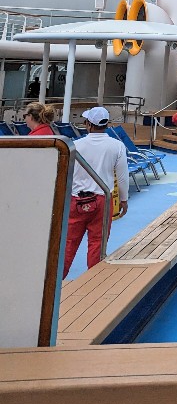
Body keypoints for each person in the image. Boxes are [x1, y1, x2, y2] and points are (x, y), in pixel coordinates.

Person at [62, 106, 128, 278]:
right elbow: (122, 177)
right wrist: (124, 199)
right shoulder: (117, 146)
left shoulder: (75, 146)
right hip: (102, 200)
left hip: (76, 200)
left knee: (68, 245)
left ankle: (54, 286)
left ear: (88, 124)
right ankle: (94, 283)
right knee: (97, 245)